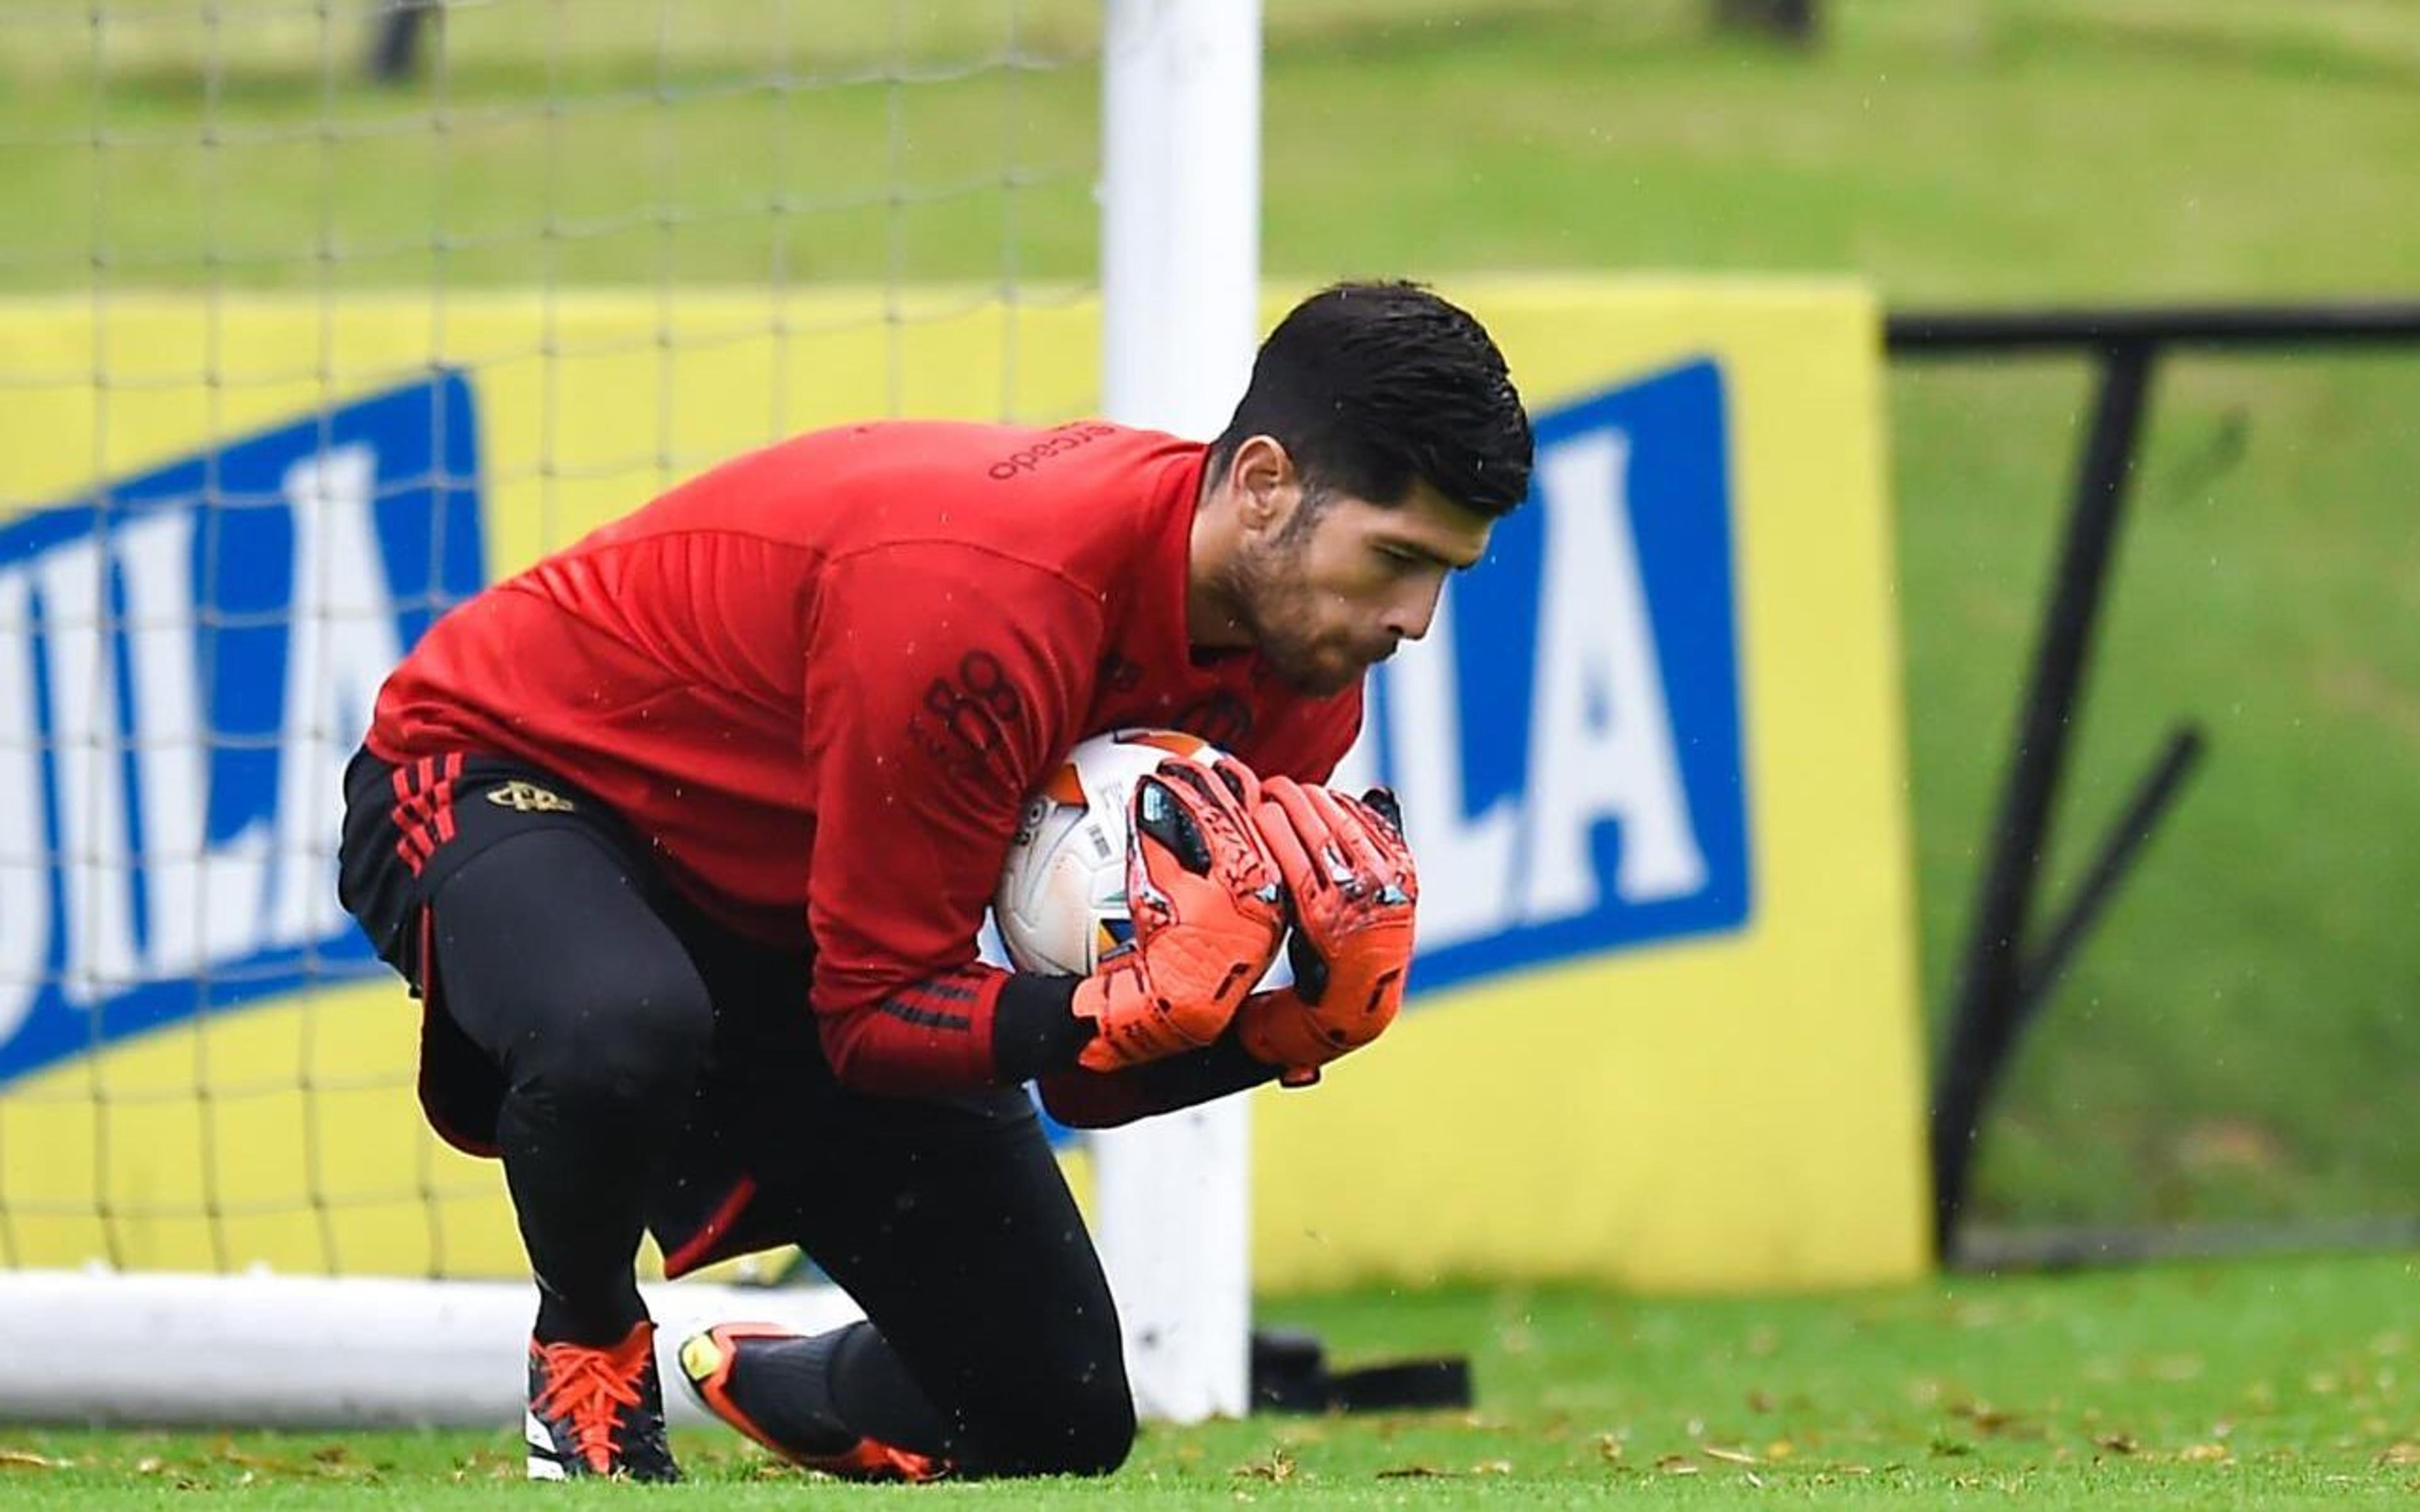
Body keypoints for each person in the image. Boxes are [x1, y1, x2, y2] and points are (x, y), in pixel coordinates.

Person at [335, 280, 1533, 1482]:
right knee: (621, 1024)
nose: (1416, 621)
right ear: (1265, 484)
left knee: (1055, 1425)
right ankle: (590, 1349)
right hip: (510, 777)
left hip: (791, 917)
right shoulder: (991, 601)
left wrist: (1272, 1027)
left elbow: (1092, 1072)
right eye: (1396, 559)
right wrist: (1101, 1010)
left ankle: (788, 1382)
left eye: (1445, 576)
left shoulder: (1301, 674)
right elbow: (873, 1018)